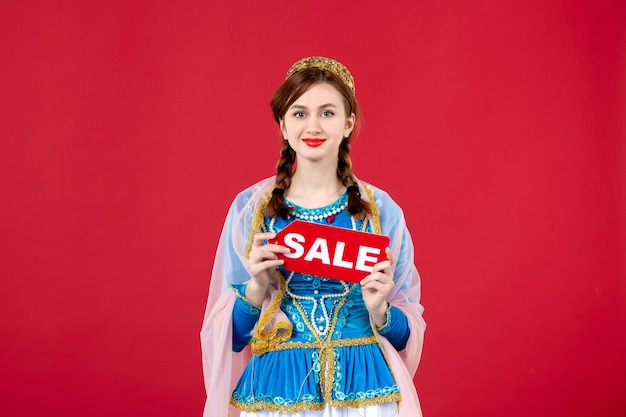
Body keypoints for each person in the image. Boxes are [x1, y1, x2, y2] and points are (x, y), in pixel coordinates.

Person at [200, 56, 426, 417]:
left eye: (328, 112)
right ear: (283, 124)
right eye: (300, 113)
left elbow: (405, 337)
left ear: (348, 123)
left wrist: (380, 309)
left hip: (366, 392)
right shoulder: (252, 210)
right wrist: (256, 289)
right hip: (276, 390)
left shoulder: (380, 211)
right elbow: (230, 340)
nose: (313, 126)